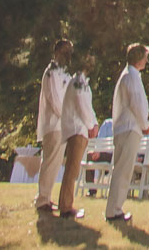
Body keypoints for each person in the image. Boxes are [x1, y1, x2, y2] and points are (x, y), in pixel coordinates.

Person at [105, 43, 149, 223]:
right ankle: (113, 210)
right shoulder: (131, 77)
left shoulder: (131, 76)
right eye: (145, 57)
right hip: (129, 127)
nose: (147, 61)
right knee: (123, 170)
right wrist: (145, 124)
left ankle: (116, 208)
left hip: (127, 128)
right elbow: (136, 103)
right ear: (139, 58)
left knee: (123, 169)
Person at [34, 39, 74, 213]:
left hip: (62, 126)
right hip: (53, 124)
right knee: (50, 162)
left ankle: (47, 198)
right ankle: (42, 199)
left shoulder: (64, 73)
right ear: (57, 52)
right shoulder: (51, 73)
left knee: (56, 163)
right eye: (66, 51)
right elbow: (55, 100)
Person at [55, 63, 99, 219]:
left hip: (82, 129)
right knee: (72, 170)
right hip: (76, 129)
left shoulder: (84, 82)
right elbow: (81, 106)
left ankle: (67, 204)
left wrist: (95, 123)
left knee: (74, 169)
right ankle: (66, 207)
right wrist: (90, 125)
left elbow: (89, 106)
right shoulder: (77, 82)